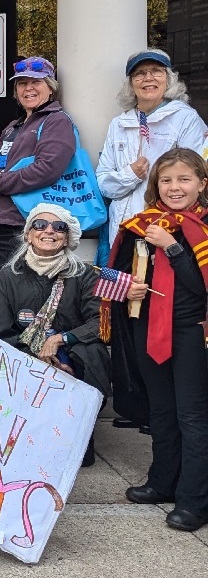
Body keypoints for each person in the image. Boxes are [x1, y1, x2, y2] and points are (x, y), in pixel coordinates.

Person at [107, 148, 208, 532]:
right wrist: (124, 289)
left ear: (201, 183)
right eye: (166, 180)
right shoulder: (140, 225)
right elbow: (112, 276)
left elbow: (200, 288)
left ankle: (195, 500)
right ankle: (163, 482)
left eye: (184, 179)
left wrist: (172, 246)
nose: (175, 187)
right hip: (147, 329)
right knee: (161, 411)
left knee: (192, 417)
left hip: (191, 333)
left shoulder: (202, 227)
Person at [0, 203, 110, 467]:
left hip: (71, 357)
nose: (48, 231)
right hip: (24, 358)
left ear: (68, 237)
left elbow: (101, 322)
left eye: (59, 227)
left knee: (92, 352)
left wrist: (61, 341)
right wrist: (38, 361)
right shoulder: (6, 278)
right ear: (29, 234)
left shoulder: (85, 275)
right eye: (40, 225)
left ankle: (81, 432)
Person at [0, 56, 76, 321]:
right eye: (21, 83)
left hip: (22, 229)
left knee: (12, 306)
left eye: (36, 82)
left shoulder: (56, 122)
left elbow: (47, 169)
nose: (28, 88)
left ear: (51, 88)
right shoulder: (14, 125)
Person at [97, 49, 207, 250]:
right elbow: (104, 184)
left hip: (166, 229)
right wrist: (130, 175)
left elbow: (194, 180)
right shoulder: (118, 124)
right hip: (122, 229)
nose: (148, 78)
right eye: (140, 73)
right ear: (131, 84)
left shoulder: (185, 119)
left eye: (156, 71)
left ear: (169, 79)